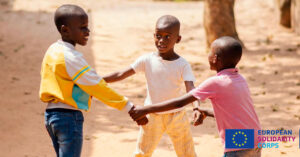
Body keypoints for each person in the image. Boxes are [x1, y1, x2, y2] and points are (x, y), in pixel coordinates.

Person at [39, 4, 147, 157]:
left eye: (87, 27)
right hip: (68, 118)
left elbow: (77, 82)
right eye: (82, 27)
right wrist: (129, 106)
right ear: (65, 30)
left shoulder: (52, 50)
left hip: (51, 116)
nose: (88, 31)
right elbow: (97, 87)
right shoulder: (71, 57)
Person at [130, 36, 262, 157]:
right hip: (256, 138)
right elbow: (236, 113)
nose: (208, 55)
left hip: (238, 142)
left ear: (215, 58)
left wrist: (146, 109)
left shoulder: (215, 82)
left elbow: (179, 103)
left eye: (210, 52)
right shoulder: (240, 79)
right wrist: (206, 112)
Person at [103, 15, 204, 157]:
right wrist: (97, 81)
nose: (161, 40)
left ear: (178, 39)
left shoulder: (182, 64)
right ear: (154, 36)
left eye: (167, 37)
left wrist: (196, 107)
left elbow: (190, 88)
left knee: (187, 153)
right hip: (151, 116)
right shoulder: (147, 60)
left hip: (177, 116)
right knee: (142, 153)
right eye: (158, 35)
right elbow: (121, 74)